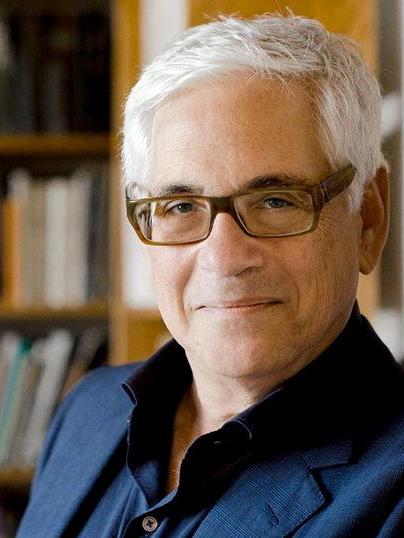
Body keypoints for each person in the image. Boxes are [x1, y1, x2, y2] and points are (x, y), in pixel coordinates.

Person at [18, 14, 404, 537]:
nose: (225, 257)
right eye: (180, 206)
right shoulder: (87, 411)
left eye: (275, 200)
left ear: (369, 218)